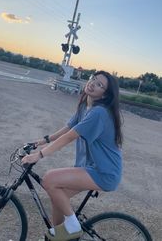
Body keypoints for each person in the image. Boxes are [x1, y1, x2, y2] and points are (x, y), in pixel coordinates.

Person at [22, 71, 123, 241]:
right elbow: (68, 128)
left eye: (99, 85)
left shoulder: (99, 113)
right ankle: (60, 236)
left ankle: (73, 225)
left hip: (104, 172)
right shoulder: (85, 105)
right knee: (57, 196)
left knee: (49, 179)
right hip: (90, 168)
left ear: (105, 94)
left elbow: (70, 137)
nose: (92, 83)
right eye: (93, 79)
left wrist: (39, 155)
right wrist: (40, 142)